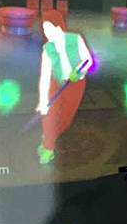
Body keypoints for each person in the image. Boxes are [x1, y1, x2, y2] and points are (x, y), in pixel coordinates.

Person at [36, 10, 93, 164]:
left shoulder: (75, 39)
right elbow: (45, 75)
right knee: (49, 113)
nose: (46, 33)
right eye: (44, 29)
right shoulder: (47, 49)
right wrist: (43, 100)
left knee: (66, 118)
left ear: (58, 26)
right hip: (55, 82)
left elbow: (88, 60)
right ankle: (48, 148)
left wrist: (78, 70)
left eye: (48, 28)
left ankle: (48, 138)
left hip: (75, 84)